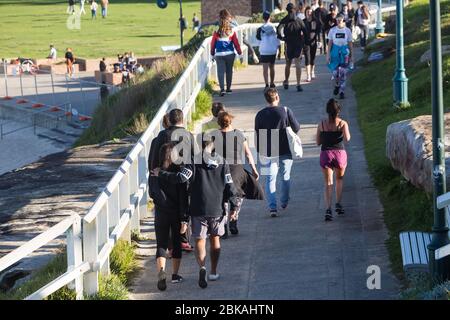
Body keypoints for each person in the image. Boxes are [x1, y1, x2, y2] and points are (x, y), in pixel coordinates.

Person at [189, 136, 239, 288]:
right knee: (215, 239)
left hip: (198, 207)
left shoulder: (192, 161)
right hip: (217, 207)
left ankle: (202, 266)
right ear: (213, 145)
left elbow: (185, 182)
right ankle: (213, 271)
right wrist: (234, 206)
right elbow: (230, 186)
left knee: (199, 240)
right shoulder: (222, 161)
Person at [149, 142, 191, 290]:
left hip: (160, 212)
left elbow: (151, 193)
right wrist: (184, 218)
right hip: (176, 213)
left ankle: (161, 271)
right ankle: (175, 275)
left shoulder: (154, 172)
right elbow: (183, 197)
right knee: (176, 244)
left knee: (161, 244)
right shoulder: (177, 173)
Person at [255, 88, 300, 217]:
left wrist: (259, 150)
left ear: (266, 99)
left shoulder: (260, 114)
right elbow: (296, 127)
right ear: (277, 97)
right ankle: (284, 201)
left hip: (268, 149)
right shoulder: (285, 111)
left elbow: (258, 133)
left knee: (270, 179)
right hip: (284, 147)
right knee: (285, 177)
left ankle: (272, 208)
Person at [316, 99, 351, 221]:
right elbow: (347, 138)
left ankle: (328, 210)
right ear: (339, 111)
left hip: (326, 154)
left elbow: (317, 142)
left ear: (327, 111)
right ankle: (338, 204)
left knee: (328, 183)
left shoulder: (322, 124)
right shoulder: (342, 123)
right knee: (339, 180)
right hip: (340, 154)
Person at [277, 3, 309, 92]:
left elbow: (278, 29)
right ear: (295, 9)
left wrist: (281, 37)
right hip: (298, 43)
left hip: (289, 43)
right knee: (297, 63)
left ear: (287, 10)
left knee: (288, 63)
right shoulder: (299, 20)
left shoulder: (285, 20)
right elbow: (305, 31)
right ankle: (298, 84)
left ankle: (286, 81)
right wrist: (306, 43)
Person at [210, 10, 242, 96]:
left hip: (219, 55)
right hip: (230, 54)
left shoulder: (217, 32)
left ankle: (222, 89)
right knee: (229, 71)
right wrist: (239, 52)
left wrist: (212, 53)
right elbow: (236, 43)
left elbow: (213, 44)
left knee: (220, 72)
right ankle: (228, 89)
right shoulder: (231, 31)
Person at [326, 14, 353, 99]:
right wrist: (328, 54)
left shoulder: (347, 31)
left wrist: (352, 55)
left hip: (344, 53)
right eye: (337, 20)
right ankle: (337, 85)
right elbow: (329, 43)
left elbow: (350, 44)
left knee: (343, 72)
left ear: (343, 21)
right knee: (335, 72)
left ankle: (342, 91)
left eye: (340, 20)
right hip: (335, 52)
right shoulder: (332, 30)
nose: (338, 22)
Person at [256, 11, 280, 89]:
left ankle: (266, 84)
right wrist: (278, 49)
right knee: (272, 67)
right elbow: (277, 39)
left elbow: (258, 41)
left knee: (265, 69)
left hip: (264, 50)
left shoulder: (260, 29)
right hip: (272, 50)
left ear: (263, 18)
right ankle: (272, 83)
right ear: (270, 17)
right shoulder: (274, 28)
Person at [303, 6, 319, 82]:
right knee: (307, 58)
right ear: (305, 13)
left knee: (312, 58)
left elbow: (318, 31)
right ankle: (308, 75)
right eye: (308, 12)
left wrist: (319, 40)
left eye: (310, 12)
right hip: (306, 43)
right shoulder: (303, 21)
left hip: (313, 42)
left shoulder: (315, 21)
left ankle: (312, 72)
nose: (309, 13)